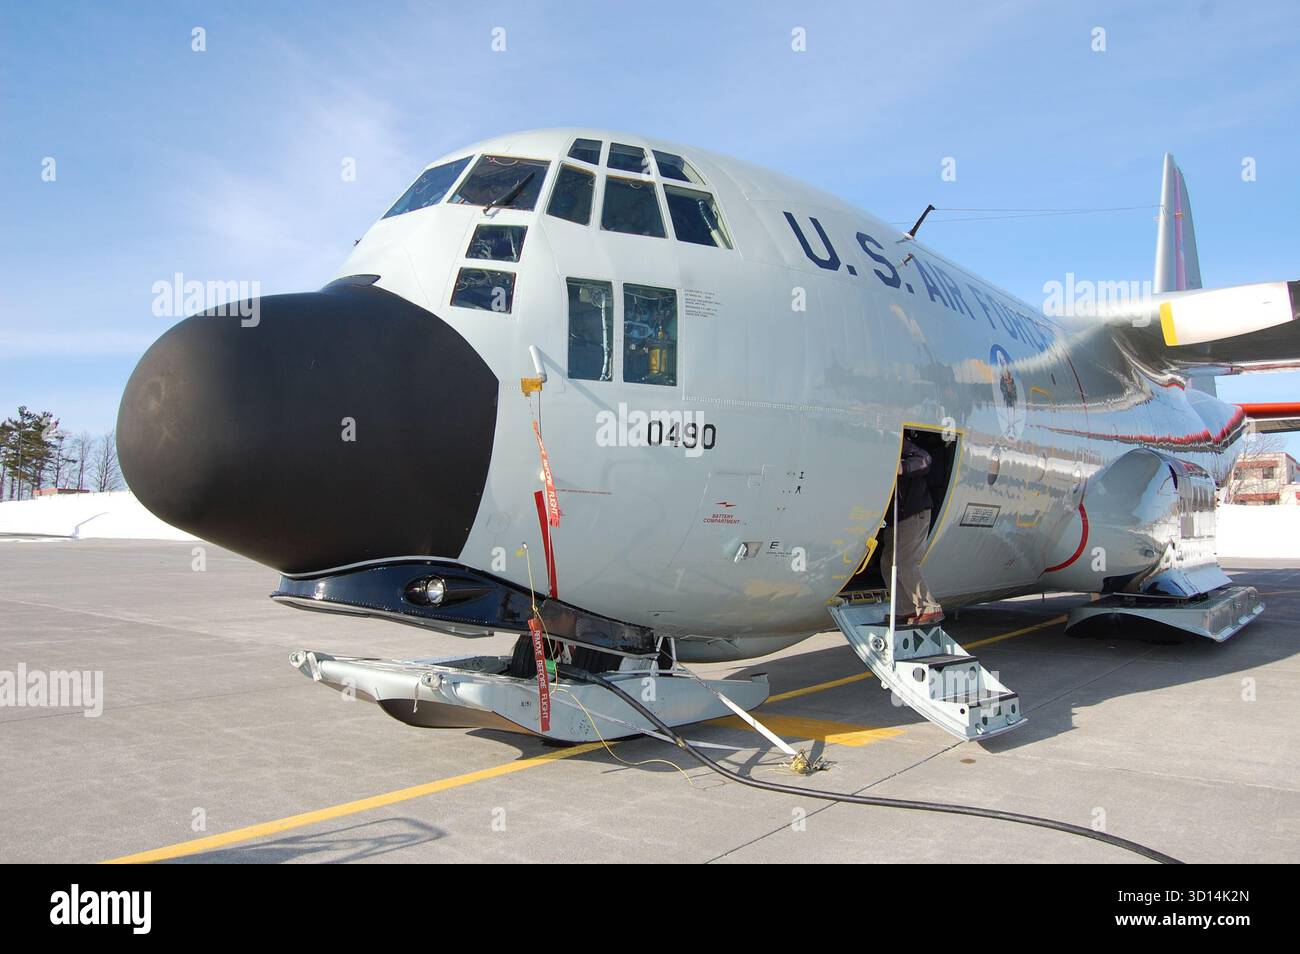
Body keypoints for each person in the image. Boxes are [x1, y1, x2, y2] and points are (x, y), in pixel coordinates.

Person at [881, 436, 944, 625]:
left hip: (913, 512)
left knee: (905, 561)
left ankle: (929, 607)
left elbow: (925, 459)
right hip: (897, 516)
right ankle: (905, 609)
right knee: (887, 562)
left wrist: (903, 467)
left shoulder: (900, 443)